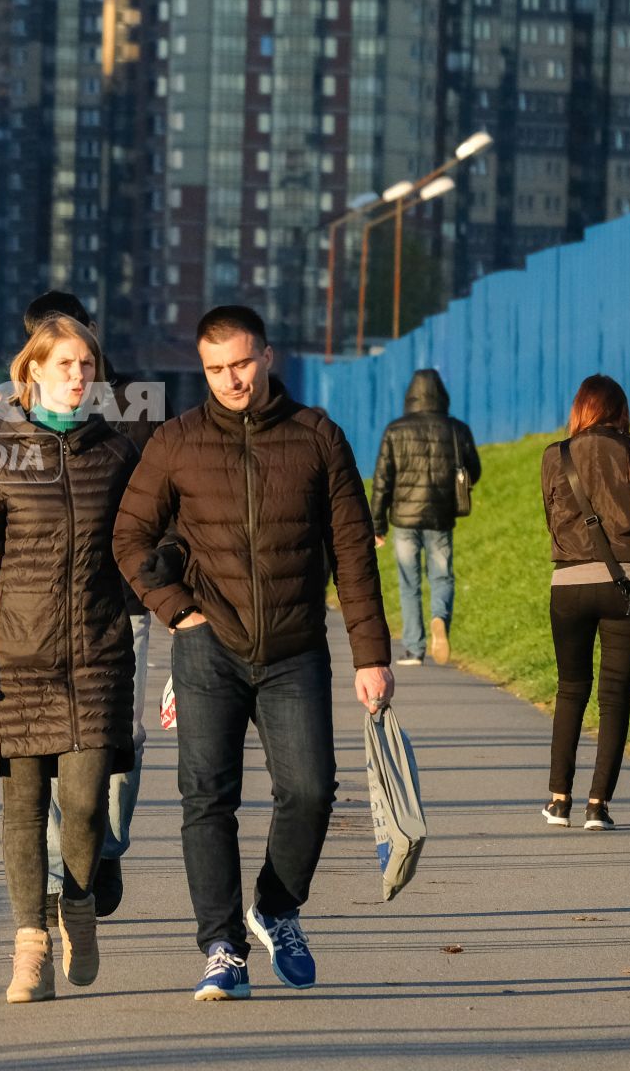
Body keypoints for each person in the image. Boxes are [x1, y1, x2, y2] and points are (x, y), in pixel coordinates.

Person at [113, 305, 393, 1001]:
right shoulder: (176, 442)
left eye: (240, 363)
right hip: (208, 649)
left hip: (296, 648)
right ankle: (221, 948)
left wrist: (371, 653)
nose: (230, 380)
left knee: (311, 790)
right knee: (207, 799)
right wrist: (179, 611)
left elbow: (353, 550)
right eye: (215, 369)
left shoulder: (317, 436)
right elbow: (129, 538)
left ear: (267, 356)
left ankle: (275, 905)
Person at [0, 312, 140, 1003]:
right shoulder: (0, 454)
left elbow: (150, 544)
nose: (78, 377)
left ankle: (77, 905)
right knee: (23, 808)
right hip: (16, 656)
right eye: (65, 365)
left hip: (97, 654)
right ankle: (30, 949)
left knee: (83, 807)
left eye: (87, 366)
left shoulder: (117, 453)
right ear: (33, 373)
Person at [0, 294, 157, 930]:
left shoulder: (134, 412)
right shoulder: (10, 421)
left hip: (121, 610)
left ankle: (101, 847)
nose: (69, 368)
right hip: (36, 622)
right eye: (51, 352)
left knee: (121, 738)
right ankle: (71, 867)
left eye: (77, 353)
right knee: (51, 748)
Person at [539, 374, 630, 831]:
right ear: (620, 411)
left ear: (581, 409)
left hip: (569, 584)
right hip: (626, 587)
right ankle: (598, 806)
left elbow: (552, 522)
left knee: (570, 688)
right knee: (614, 698)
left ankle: (559, 801)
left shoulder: (555, 457)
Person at [370, 369, 481, 665]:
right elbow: (474, 470)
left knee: (409, 582)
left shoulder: (395, 430)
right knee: (442, 575)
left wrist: (377, 524)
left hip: (404, 519)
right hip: (441, 516)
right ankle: (439, 617)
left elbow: (382, 479)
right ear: (442, 394)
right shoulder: (456, 428)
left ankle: (414, 648)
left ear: (410, 395)